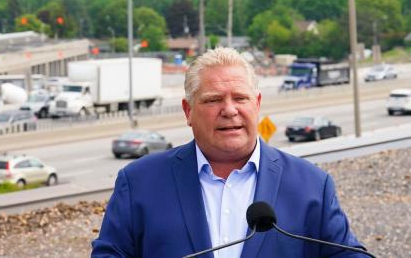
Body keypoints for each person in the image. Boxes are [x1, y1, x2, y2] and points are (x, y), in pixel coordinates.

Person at [92, 47, 366, 257]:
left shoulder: (312, 186)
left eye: (240, 98)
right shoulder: (139, 183)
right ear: (188, 111)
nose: (229, 110)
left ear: (256, 104)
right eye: (213, 100)